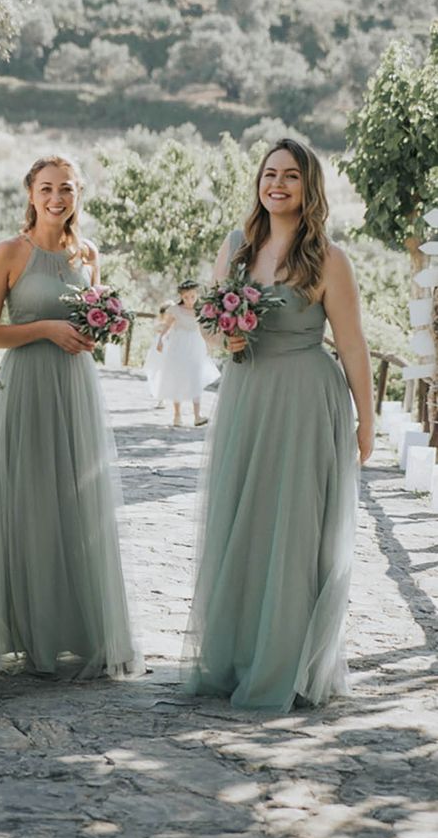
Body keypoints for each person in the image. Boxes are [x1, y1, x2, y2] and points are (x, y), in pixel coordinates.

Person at [184, 139, 373, 711]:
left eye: (291, 176)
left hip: (305, 401)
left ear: (307, 187)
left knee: (292, 530)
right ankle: (240, 653)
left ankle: (284, 663)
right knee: (243, 522)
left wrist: (366, 423)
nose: (278, 185)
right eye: (270, 174)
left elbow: (353, 344)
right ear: (259, 183)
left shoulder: (328, 259)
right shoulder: (237, 248)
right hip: (246, 393)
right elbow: (211, 324)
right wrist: (226, 337)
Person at [0, 154, 139, 679]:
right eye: (46, 188)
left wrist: (98, 331)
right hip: (24, 386)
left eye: (66, 189)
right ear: (30, 193)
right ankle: (23, 632)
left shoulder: (88, 255)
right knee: (25, 501)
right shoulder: (8, 253)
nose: (56, 198)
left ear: (77, 195)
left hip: (74, 389)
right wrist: (45, 329)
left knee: (76, 504)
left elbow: (95, 320)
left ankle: (78, 630)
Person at [154, 280, 220, 427]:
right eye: (186, 297)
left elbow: (204, 329)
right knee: (177, 377)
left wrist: (209, 344)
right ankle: (177, 415)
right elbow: (167, 326)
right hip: (178, 346)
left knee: (195, 377)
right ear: (181, 297)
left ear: (196, 295)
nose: (190, 300)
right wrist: (160, 339)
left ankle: (197, 416)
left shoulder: (201, 310)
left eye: (192, 296)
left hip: (195, 346)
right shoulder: (175, 310)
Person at [142, 301, 171, 408]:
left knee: (166, 372)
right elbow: (156, 329)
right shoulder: (160, 324)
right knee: (157, 371)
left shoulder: (174, 325)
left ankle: (164, 397)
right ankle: (160, 397)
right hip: (158, 350)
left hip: (169, 350)